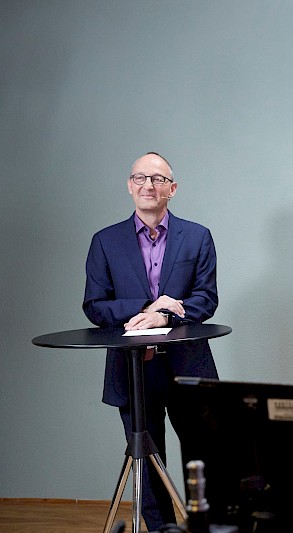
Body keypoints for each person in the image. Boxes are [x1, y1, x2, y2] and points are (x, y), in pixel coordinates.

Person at [83, 152, 219, 530]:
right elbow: (95, 305)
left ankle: (206, 526)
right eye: (140, 178)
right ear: (130, 186)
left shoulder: (197, 236)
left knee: (206, 456)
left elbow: (206, 299)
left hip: (188, 365)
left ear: (171, 189)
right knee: (146, 458)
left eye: (158, 179)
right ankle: (162, 529)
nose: (148, 185)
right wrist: (147, 306)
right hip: (132, 368)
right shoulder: (105, 241)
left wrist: (165, 316)